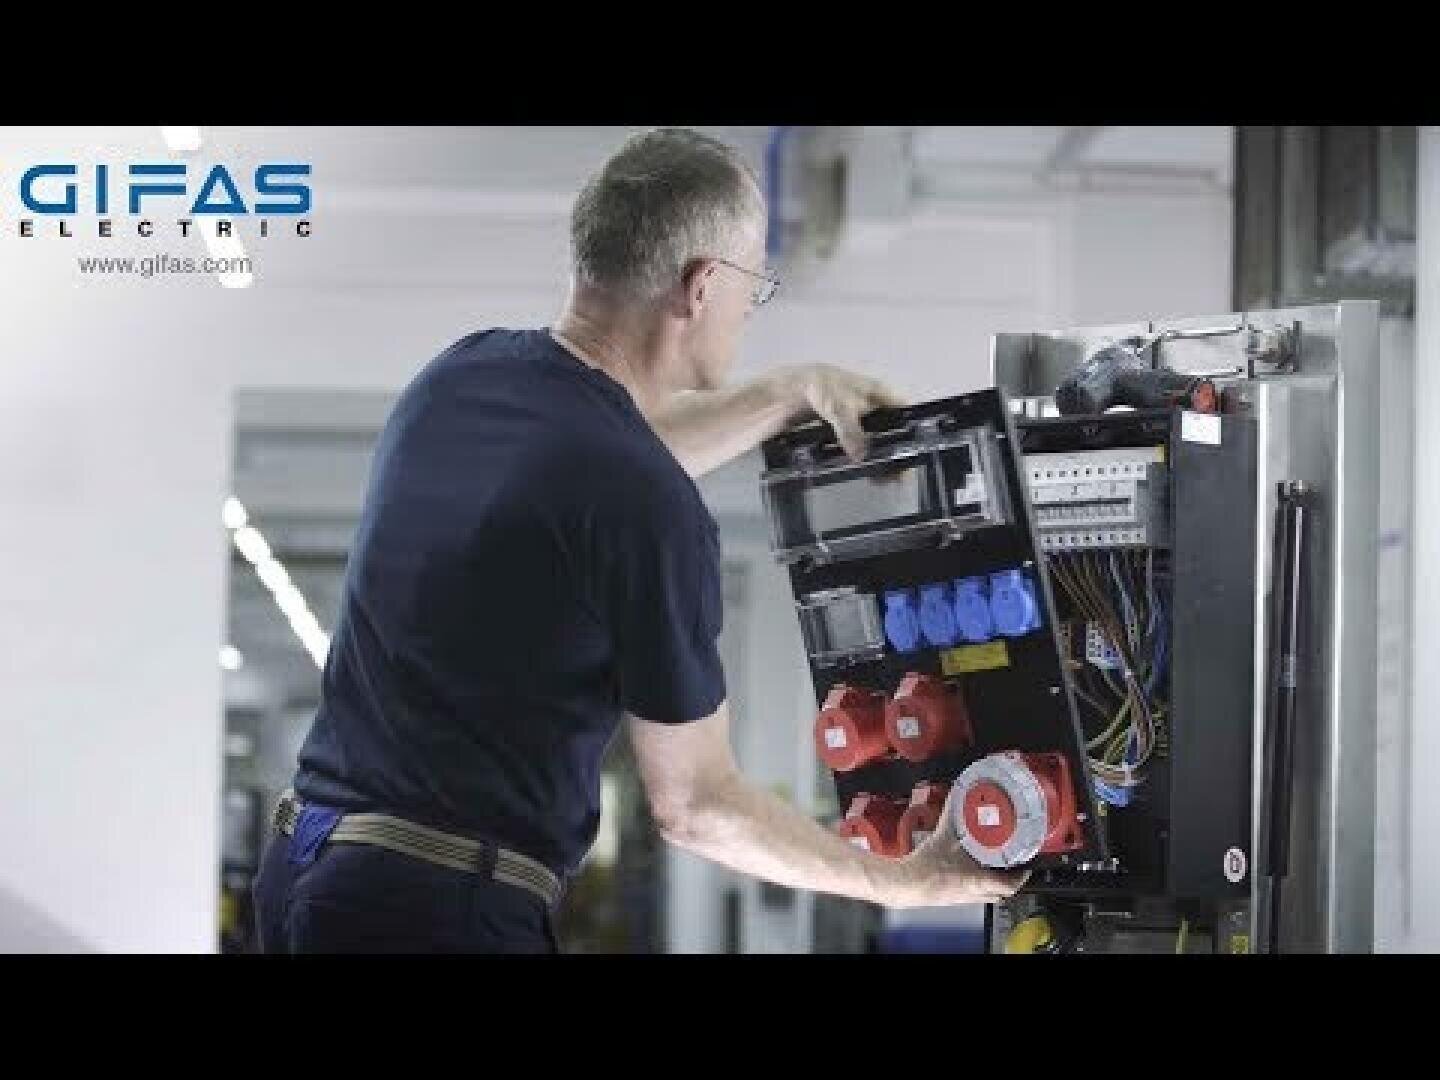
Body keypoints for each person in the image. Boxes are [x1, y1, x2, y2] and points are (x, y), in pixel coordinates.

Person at [252, 127, 1027, 954]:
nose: (749, 307)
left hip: (304, 866)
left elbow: (602, 464)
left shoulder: (460, 376)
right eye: (754, 284)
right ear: (701, 286)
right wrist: (906, 882)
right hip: (431, 911)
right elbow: (697, 804)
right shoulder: (642, 502)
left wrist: (789, 392)